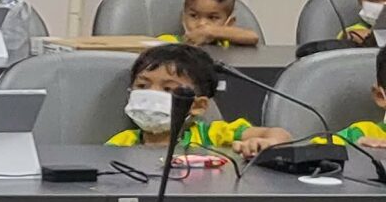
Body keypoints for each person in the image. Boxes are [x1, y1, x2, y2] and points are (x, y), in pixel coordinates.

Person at [106, 43, 285, 153]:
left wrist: (265, 143)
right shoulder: (121, 143)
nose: (152, 95)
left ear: (198, 105)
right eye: (142, 86)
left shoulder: (213, 135)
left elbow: (280, 135)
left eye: (168, 89)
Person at [170, 0, 260, 49]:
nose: (202, 24)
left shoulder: (227, 43)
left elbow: (253, 37)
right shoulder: (172, 41)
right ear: (183, 18)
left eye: (212, 18)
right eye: (194, 16)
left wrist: (210, 32)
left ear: (229, 23)